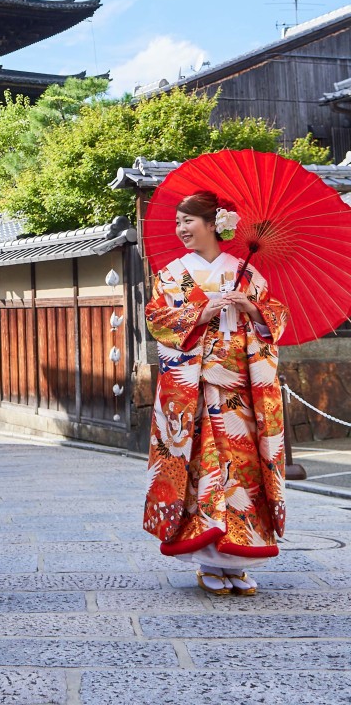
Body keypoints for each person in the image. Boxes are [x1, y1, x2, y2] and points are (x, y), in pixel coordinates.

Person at [143, 190, 289, 596]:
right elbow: (157, 319)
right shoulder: (172, 274)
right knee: (203, 471)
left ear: (214, 224)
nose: (181, 230)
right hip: (196, 393)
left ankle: (239, 559)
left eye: (188, 221)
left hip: (240, 393)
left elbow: (275, 317)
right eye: (178, 222)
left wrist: (252, 308)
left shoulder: (249, 276)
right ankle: (210, 560)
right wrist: (199, 313)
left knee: (242, 474)